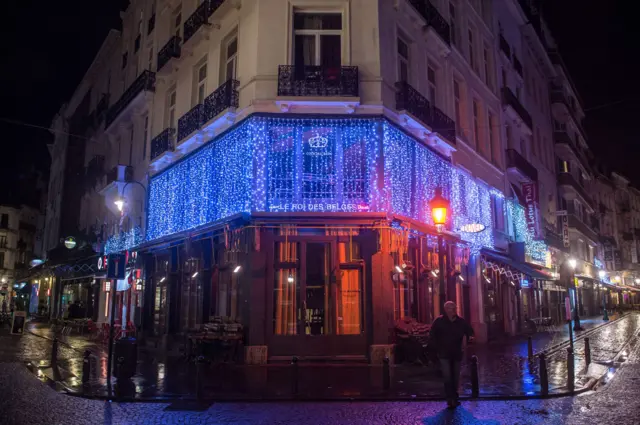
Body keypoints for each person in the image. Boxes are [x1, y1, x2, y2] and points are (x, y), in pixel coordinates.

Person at [430, 301, 474, 409]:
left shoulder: (461, 322)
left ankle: (455, 397)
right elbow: (432, 335)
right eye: (449, 308)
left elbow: (469, 332)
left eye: (453, 308)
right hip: (444, 353)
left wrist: (466, 342)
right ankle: (450, 399)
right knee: (447, 377)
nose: (452, 310)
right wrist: (436, 348)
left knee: (455, 377)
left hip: (456, 353)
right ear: (445, 309)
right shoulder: (439, 321)